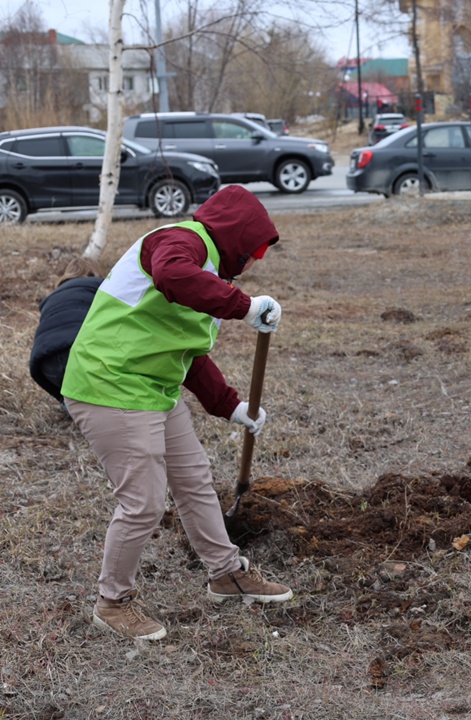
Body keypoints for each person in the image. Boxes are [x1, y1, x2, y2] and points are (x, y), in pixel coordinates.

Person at [61, 185, 294, 641]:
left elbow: (186, 351)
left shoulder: (209, 272)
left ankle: (226, 573)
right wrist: (243, 306)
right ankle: (112, 602)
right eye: (254, 253)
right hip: (110, 385)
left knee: (194, 480)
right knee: (144, 503)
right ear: (237, 240)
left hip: (153, 387)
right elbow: (173, 275)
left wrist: (231, 405)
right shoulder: (179, 242)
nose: (254, 263)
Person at [29, 257, 105, 411]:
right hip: (80, 357)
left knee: (75, 393)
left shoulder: (51, 297)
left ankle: (70, 404)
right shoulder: (103, 287)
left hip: (44, 366)